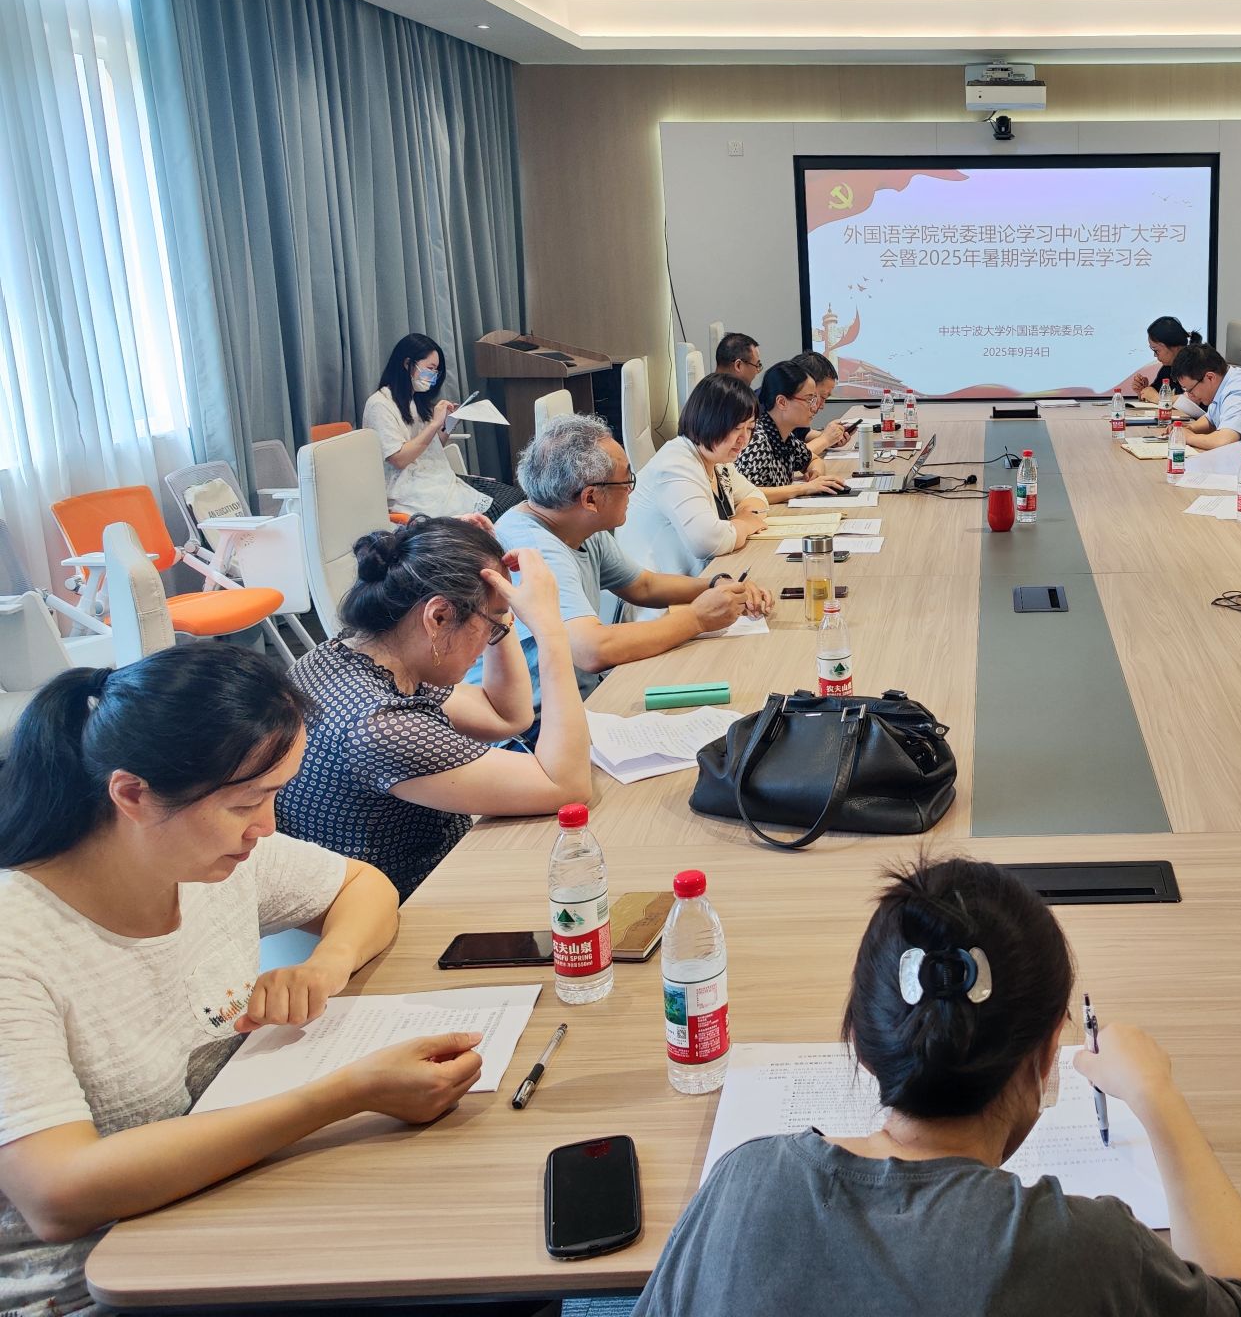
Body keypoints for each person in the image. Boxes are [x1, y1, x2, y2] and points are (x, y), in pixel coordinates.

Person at [0, 644, 484, 1315]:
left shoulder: (207, 858)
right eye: (247, 803)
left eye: (274, 796)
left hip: (216, 1208)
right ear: (132, 794)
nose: (266, 826)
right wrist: (344, 1095)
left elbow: (364, 887)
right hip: (95, 1288)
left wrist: (325, 964)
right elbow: (59, 1195)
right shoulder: (18, 945)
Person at [632, 857, 1241, 1317]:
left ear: (862, 1043)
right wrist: (1157, 1097)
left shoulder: (744, 1183)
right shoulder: (1086, 1253)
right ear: (1045, 1058)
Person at [278, 517, 593, 900]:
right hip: (409, 908)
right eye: (492, 623)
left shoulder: (354, 653)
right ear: (438, 617)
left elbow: (505, 715)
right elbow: (567, 787)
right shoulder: (379, 725)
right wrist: (550, 629)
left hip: (420, 882)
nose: (493, 635)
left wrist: (494, 601)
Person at [481, 414, 772, 701]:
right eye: (626, 480)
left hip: (576, 694)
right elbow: (591, 650)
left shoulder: (574, 522)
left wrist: (715, 585)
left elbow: (643, 585)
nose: (632, 489)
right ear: (591, 498)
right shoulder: (534, 549)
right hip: (538, 716)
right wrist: (697, 619)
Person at [623, 375, 774, 578]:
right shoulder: (676, 464)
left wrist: (744, 516)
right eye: (737, 428)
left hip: (699, 580)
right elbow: (708, 542)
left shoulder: (717, 461)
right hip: (658, 591)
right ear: (709, 421)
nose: (744, 438)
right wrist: (745, 524)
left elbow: (755, 496)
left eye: (750, 428)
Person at [362, 333, 521, 519]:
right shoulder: (380, 404)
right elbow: (399, 459)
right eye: (430, 369)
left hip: (434, 477)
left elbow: (431, 448)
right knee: (499, 511)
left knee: (515, 498)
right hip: (408, 490)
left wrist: (449, 423)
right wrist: (435, 423)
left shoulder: (416, 400)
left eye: (436, 371)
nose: (433, 376)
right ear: (407, 364)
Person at [734, 361, 851, 503]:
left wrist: (815, 474)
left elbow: (814, 460)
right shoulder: (756, 440)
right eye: (809, 399)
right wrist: (804, 488)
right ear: (782, 402)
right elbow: (745, 494)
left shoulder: (785, 436)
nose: (814, 407)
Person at [1169, 344, 1241, 454]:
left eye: (1190, 389)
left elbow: (1225, 441)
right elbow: (1211, 419)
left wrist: (1189, 437)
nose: (1190, 395)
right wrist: (1189, 428)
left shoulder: (1240, 391)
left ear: (1210, 377)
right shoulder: (1225, 380)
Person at [1130, 316, 1201, 410]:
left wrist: (1158, 398)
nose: (1155, 355)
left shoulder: (1197, 365)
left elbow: (1193, 399)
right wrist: (1143, 391)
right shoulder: (1167, 369)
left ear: (1174, 346)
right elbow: (1153, 395)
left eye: (1156, 350)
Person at [792, 351, 852, 460]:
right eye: (822, 397)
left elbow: (802, 434)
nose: (821, 406)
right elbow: (791, 459)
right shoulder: (765, 412)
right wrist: (824, 440)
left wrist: (832, 438)